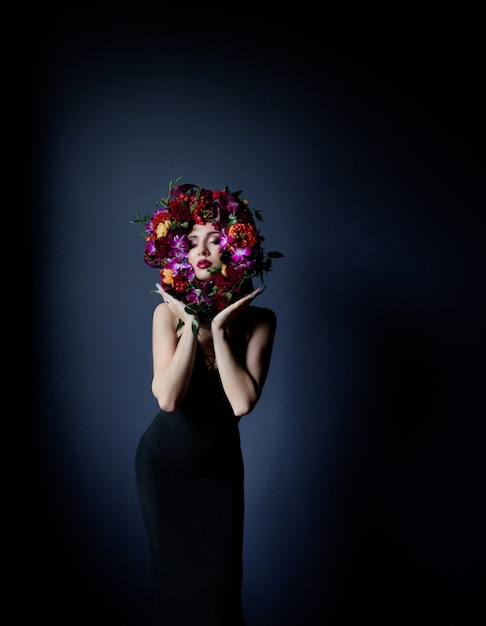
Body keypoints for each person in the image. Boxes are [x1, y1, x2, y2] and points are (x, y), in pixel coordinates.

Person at [134, 179, 281, 625]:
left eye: (215, 240)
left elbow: (241, 403)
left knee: (219, 593)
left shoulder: (260, 321)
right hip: (164, 467)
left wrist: (217, 329)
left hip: (219, 471)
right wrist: (191, 324)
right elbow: (169, 398)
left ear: (235, 249)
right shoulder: (165, 313)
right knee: (174, 589)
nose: (202, 250)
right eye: (191, 241)